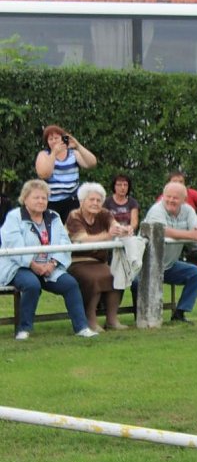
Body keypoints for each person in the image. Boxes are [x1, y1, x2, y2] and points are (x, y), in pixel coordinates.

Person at [0, 179, 99, 340]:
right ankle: (24, 330)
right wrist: (33, 265)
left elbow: (64, 242)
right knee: (32, 285)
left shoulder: (53, 216)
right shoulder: (14, 217)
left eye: (44, 198)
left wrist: (52, 264)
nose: (41, 201)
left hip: (49, 266)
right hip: (19, 266)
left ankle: (81, 327)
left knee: (70, 284)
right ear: (25, 199)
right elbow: (13, 246)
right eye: (36, 197)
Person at [138, 181, 197, 325]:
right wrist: (191, 235)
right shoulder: (156, 210)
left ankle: (179, 313)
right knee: (134, 284)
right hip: (143, 267)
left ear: (184, 199)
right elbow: (163, 231)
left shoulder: (188, 210)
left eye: (175, 198)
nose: (170, 200)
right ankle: (143, 317)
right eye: (168, 196)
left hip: (169, 266)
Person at [65, 182, 133, 332]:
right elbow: (83, 239)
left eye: (98, 200)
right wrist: (108, 235)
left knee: (117, 275)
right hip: (77, 262)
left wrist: (123, 230)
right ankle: (90, 320)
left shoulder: (104, 214)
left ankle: (112, 319)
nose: (95, 203)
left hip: (98, 261)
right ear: (82, 201)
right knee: (93, 279)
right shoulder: (74, 216)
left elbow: (115, 225)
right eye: (91, 200)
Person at [34, 124, 97, 222]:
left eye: (56, 138)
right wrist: (54, 153)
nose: (54, 141)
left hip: (71, 201)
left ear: (62, 139)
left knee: (72, 231)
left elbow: (91, 163)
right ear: (47, 142)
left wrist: (78, 146)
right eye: (51, 139)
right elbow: (44, 174)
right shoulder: (44, 155)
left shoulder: (73, 154)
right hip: (51, 202)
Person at [158, 170, 197, 279]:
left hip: (192, 230)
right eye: (175, 182)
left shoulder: (191, 194)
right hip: (172, 234)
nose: (178, 184)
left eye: (181, 182)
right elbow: (163, 229)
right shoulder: (162, 201)